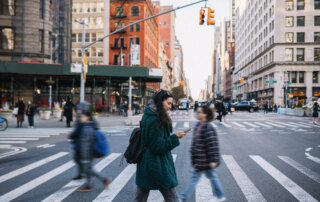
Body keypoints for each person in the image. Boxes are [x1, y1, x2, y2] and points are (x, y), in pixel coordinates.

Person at [135, 89, 188, 202]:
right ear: (160, 102)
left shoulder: (148, 114)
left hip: (146, 162)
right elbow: (158, 146)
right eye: (168, 103)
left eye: (171, 104)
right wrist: (175, 137)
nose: (170, 106)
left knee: (141, 195)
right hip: (157, 164)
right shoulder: (156, 120)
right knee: (171, 196)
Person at [179, 105, 225, 202]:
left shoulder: (208, 127)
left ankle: (183, 198)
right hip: (200, 159)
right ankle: (220, 195)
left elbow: (213, 145)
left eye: (199, 112)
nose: (197, 113)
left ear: (205, 114)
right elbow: (196, 143)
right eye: (197, 112)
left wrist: (213, 160)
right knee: (211, 177)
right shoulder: (198, 125)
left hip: (204, 160)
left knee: (194, 179)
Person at [68, 101, 110, 191]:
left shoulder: (86, 125)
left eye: (79, 108)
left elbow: (85, 142)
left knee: (87, 168)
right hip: (89, 149)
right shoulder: (91, 121)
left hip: (85, 150)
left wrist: (85, 155)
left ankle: (103, 179)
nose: (78, 110)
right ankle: (88, 184)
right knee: (87, 167)